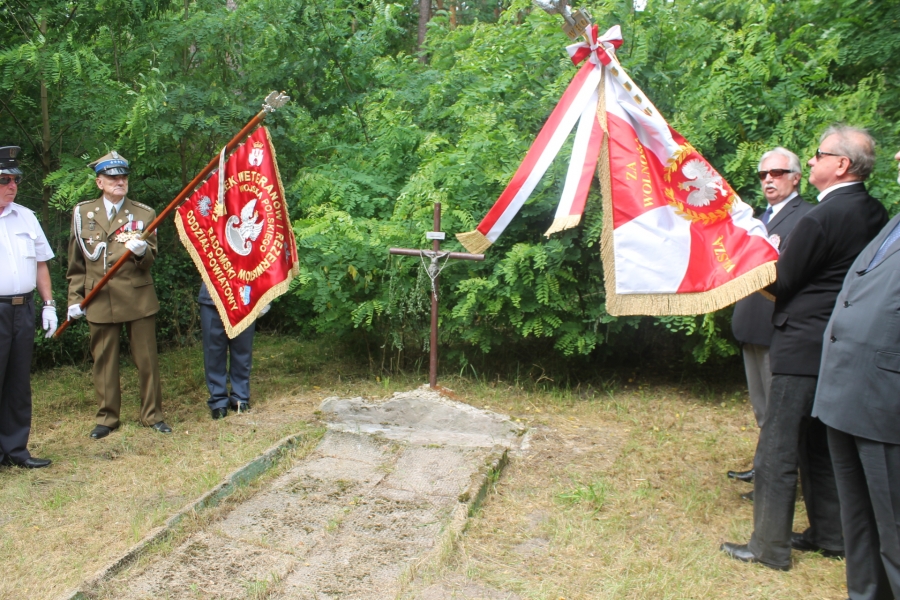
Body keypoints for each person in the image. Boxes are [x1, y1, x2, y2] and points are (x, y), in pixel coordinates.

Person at [721, 125, 888, 570]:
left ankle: (768, 547)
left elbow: (782, 282)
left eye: (819, 154)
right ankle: (831, 534)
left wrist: (754, 256)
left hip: (800, 344)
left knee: (777, 448)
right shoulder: (874, 211)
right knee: (818, 445)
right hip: (840, 343)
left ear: (842, 164)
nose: (811, 160)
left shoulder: (820, 218)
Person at [810, 147, 900, 599]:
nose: (898, 155)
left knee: (894, 530)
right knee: (860, 524)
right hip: (848, 394)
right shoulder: (893, 222)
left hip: (886, 401)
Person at [66, 151, 172, 439]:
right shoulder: (83, 213)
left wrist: (142, 252)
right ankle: (107, 418)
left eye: (123, 177)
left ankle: (153, 415)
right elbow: (76, 263)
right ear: (99, 182)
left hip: (137, 297)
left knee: (147, 360)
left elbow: (150, 260)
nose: (120, 182)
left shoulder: (144, 213)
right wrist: (75, 300)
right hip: (99, 297)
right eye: (113, 178)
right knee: (104, 361)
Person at [729, 148, 813, 493]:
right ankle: (763, 467)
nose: (768, 180)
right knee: (763, 407)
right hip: (751, 322)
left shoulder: (806, 217)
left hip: (779, 325)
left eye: (777, 173)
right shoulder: (759, 218)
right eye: (763, 174)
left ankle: (781, 478)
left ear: (796, 177)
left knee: (780, 412)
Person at [0, 146, 55, 469]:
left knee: (18, 382)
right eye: (5, 179)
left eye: (16, 180)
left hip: (23, 309)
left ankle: (16, 450)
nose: (12, 186)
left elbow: (41, 264)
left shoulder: (26, 216)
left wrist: (49, 305)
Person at [199, 282, 268, 419]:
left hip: (245, 296)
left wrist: (264, 298)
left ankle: (240, 397)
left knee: (242, 350)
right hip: (213, 294)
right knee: (213, 351)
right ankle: (218, 401)